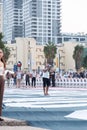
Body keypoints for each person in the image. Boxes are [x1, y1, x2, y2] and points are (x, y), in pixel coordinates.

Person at [0, 48, 6, 121]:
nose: (0, 54)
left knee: (0, 97)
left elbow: (3, 72)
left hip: (2, 79)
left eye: (1, 52)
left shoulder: (3, 63)